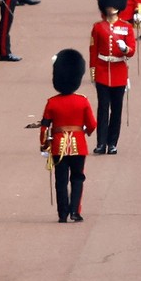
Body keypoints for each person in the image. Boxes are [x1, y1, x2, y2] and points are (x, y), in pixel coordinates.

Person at [40, 49, 95, 223]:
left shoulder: (52, 102)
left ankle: (62, 214)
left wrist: (44, 144)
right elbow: (92, 124)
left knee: (61, 181)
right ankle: (75, 212)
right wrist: (84, 131)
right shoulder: (82, 101)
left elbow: (44, 126)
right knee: (78, 178)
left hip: (58, 145)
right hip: (78, 145)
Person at [89, 0, 136, 155]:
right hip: (102, 71)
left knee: (116, 110)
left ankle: (112, 143)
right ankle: (101, 143)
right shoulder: (98, 27)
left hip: (119, 72)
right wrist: (93, 72)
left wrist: (126, 49)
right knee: (103, 109)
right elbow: (93, 50)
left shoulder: (126, 28)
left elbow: (131, 51)